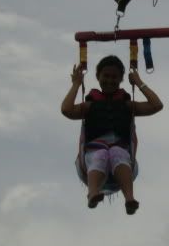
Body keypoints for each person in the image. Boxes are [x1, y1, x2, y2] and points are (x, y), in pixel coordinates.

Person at [61, 55, 163, 214]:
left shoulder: (127, 105)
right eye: (106, 76)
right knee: (101, 153)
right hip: (92, 156)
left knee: (116, 152)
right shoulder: (90, 105)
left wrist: (138, 81)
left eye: (114, 77)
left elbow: (157, 105)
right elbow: (67, 110)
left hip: (121, 157)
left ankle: (129, 198)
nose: (110, 80)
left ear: (121, 79)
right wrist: (76, 84)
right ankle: (93, 193)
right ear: (98, 77)